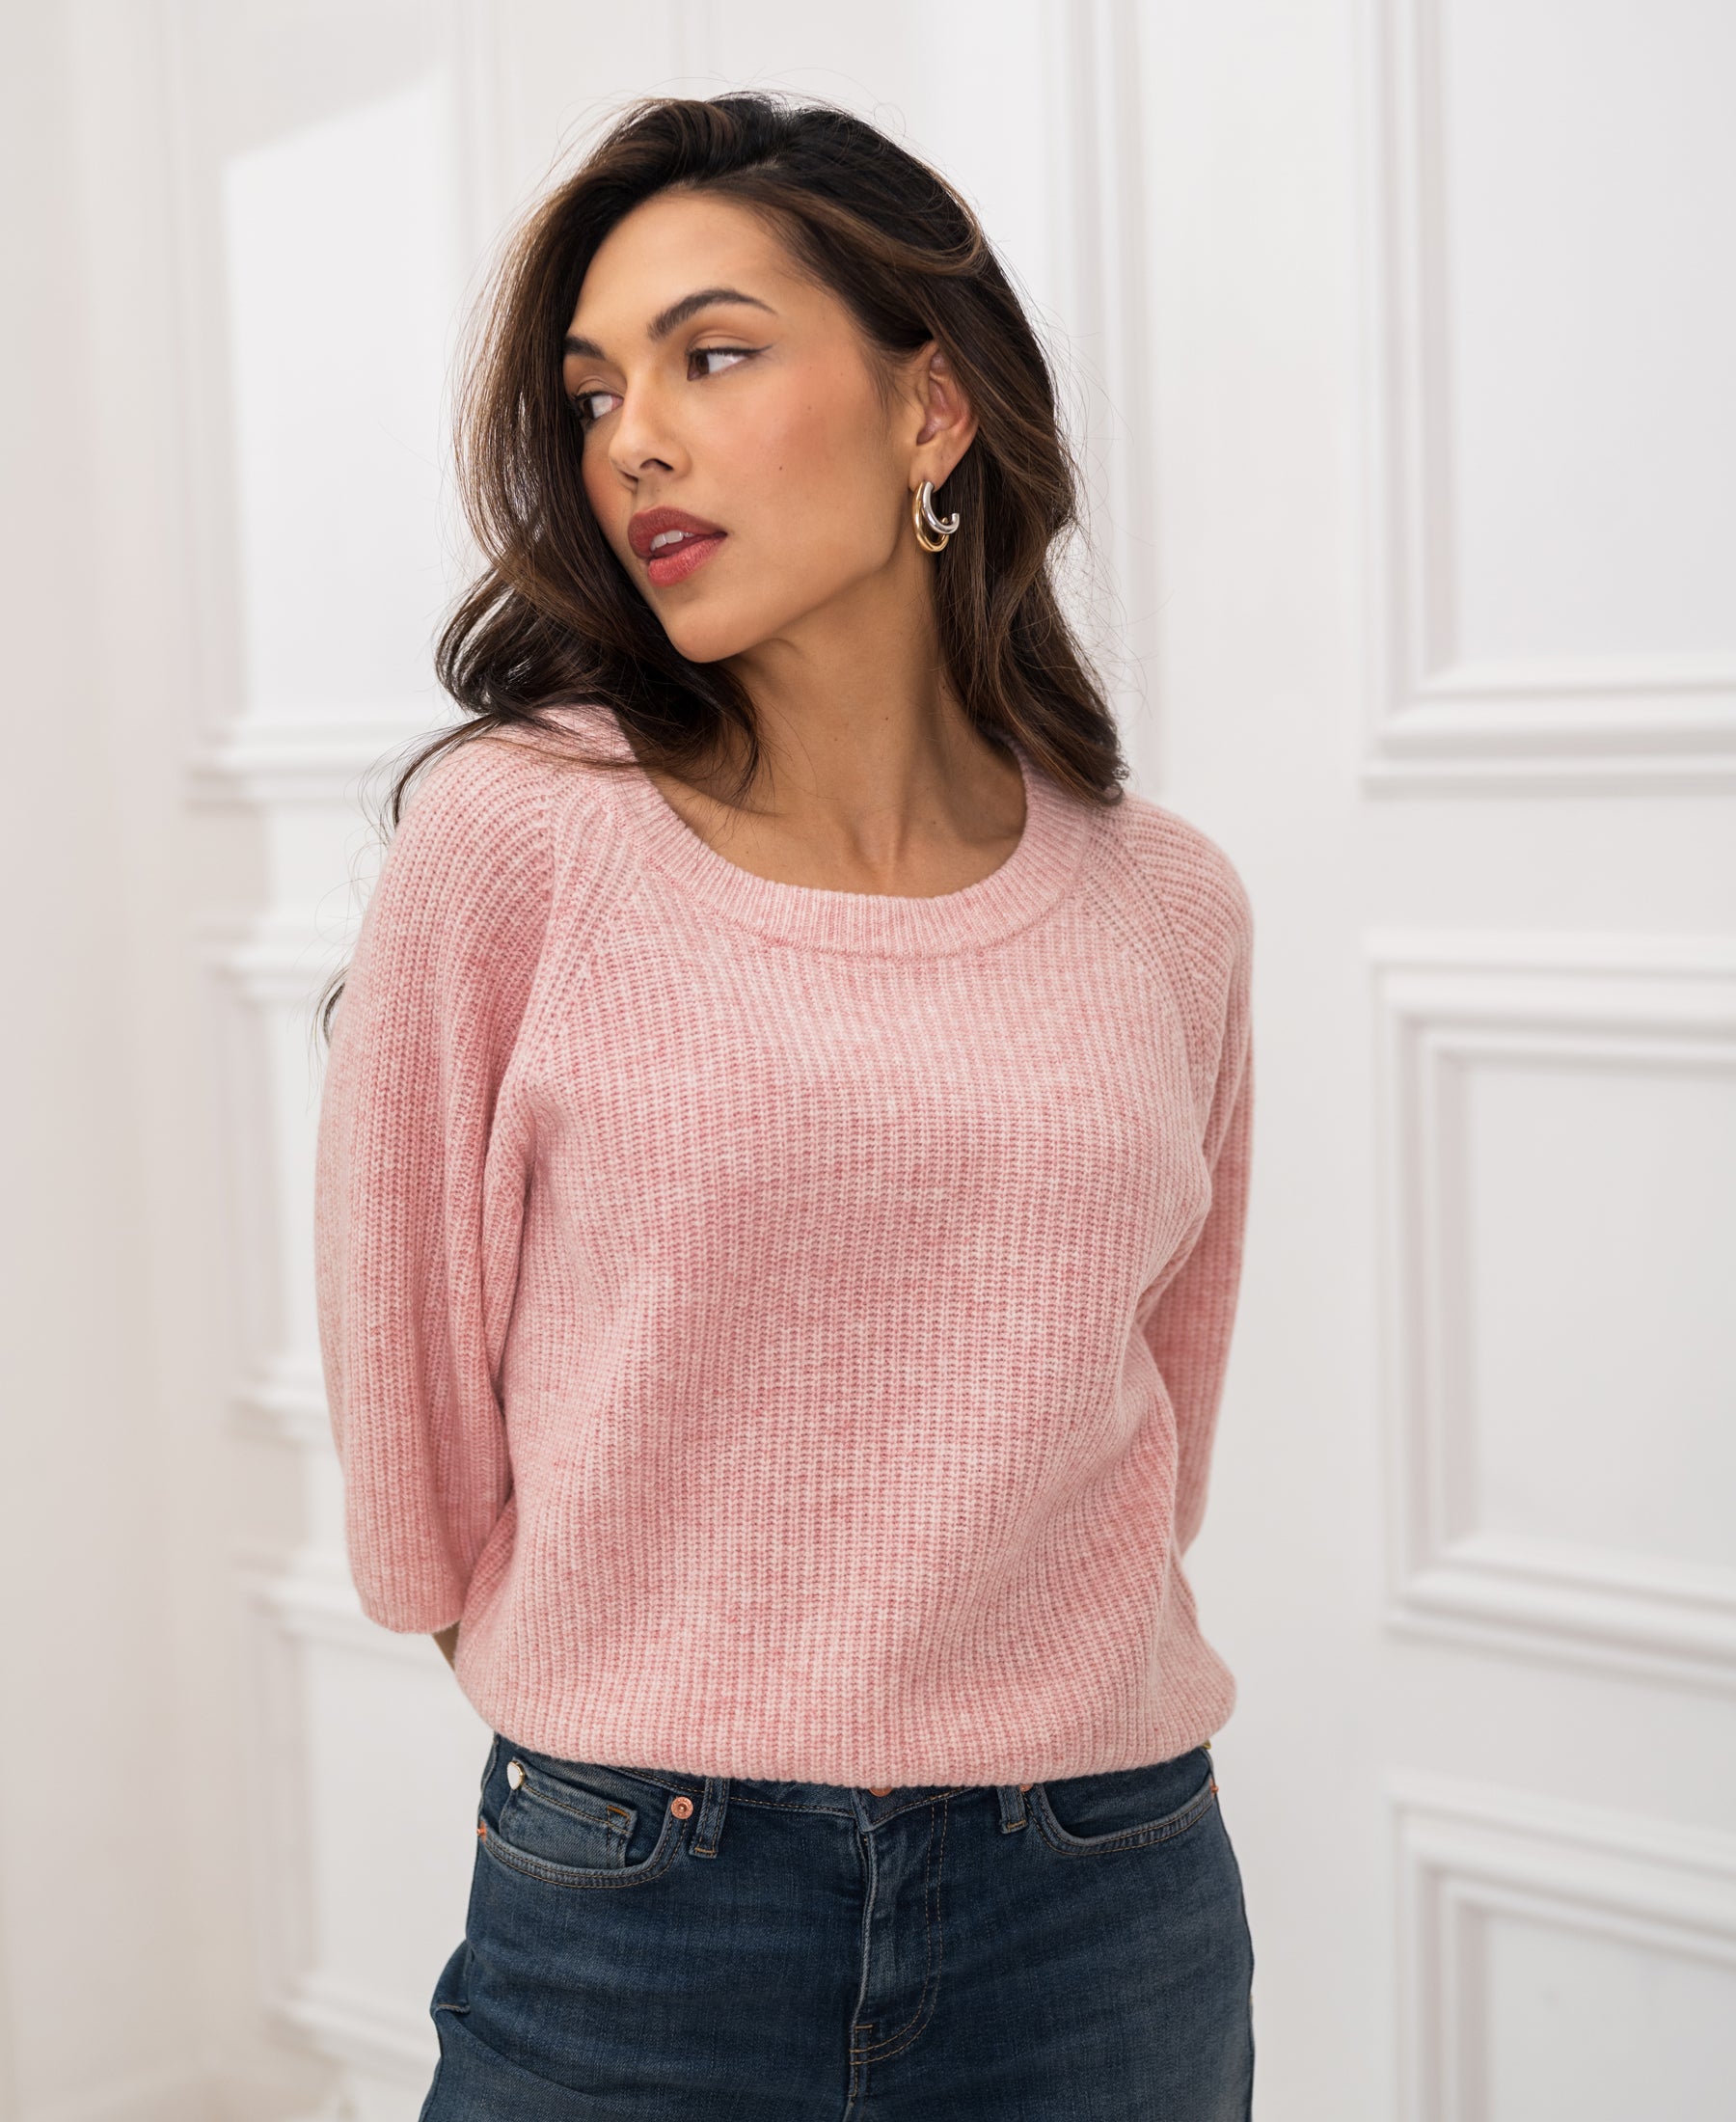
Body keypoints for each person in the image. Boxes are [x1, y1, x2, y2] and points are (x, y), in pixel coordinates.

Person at [313, 87, 1257, 2121]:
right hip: (640, 1893)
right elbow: (414, 1454)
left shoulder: (1168, 903)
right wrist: (638, 1712)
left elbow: (1154, 1432)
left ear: (933, 410)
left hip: (1105, 1890)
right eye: (593, 393)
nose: (631, 439)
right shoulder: (515, 842)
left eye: (712, 355)